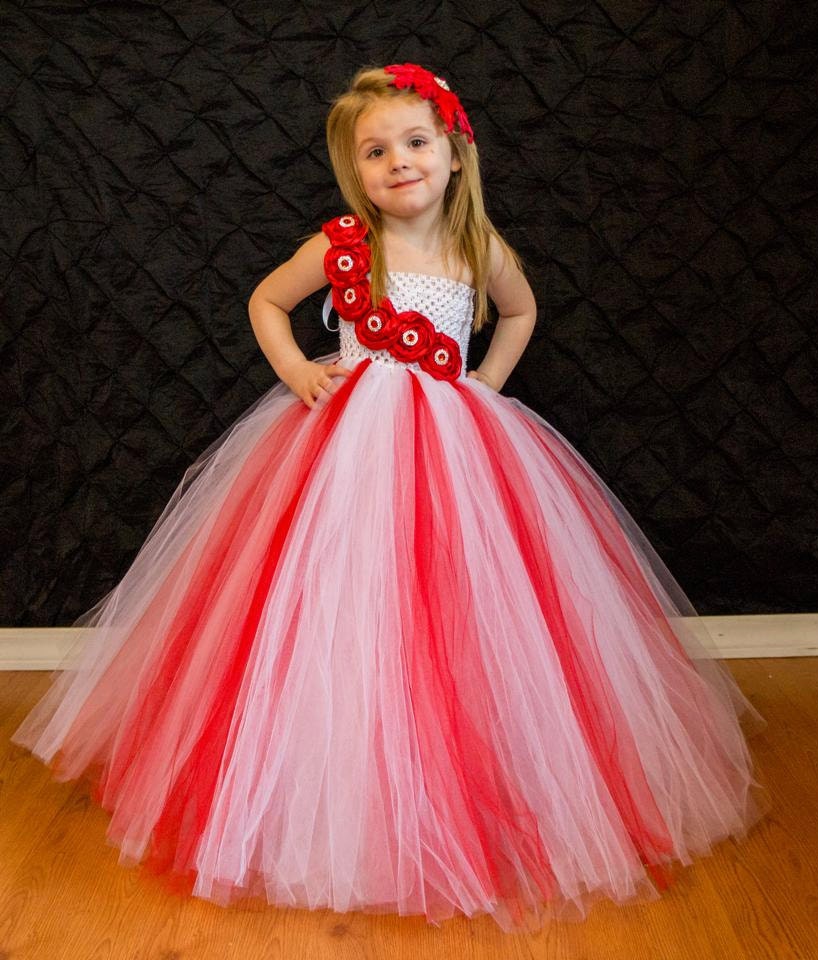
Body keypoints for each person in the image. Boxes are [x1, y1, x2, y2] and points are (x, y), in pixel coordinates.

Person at [11, 62, 770, 933]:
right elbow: (265, 300)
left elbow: (520, 313)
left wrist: (485, 380)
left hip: (455, 451)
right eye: (375, 151)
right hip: (342, 450)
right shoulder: (342, 244)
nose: (397, 162)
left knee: (456, 614)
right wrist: (297, 366)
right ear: (354, 171)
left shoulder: (481, 251)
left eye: (415, 142)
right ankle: (331, 784)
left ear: (453, 152)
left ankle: (461, 783)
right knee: (333, 609)